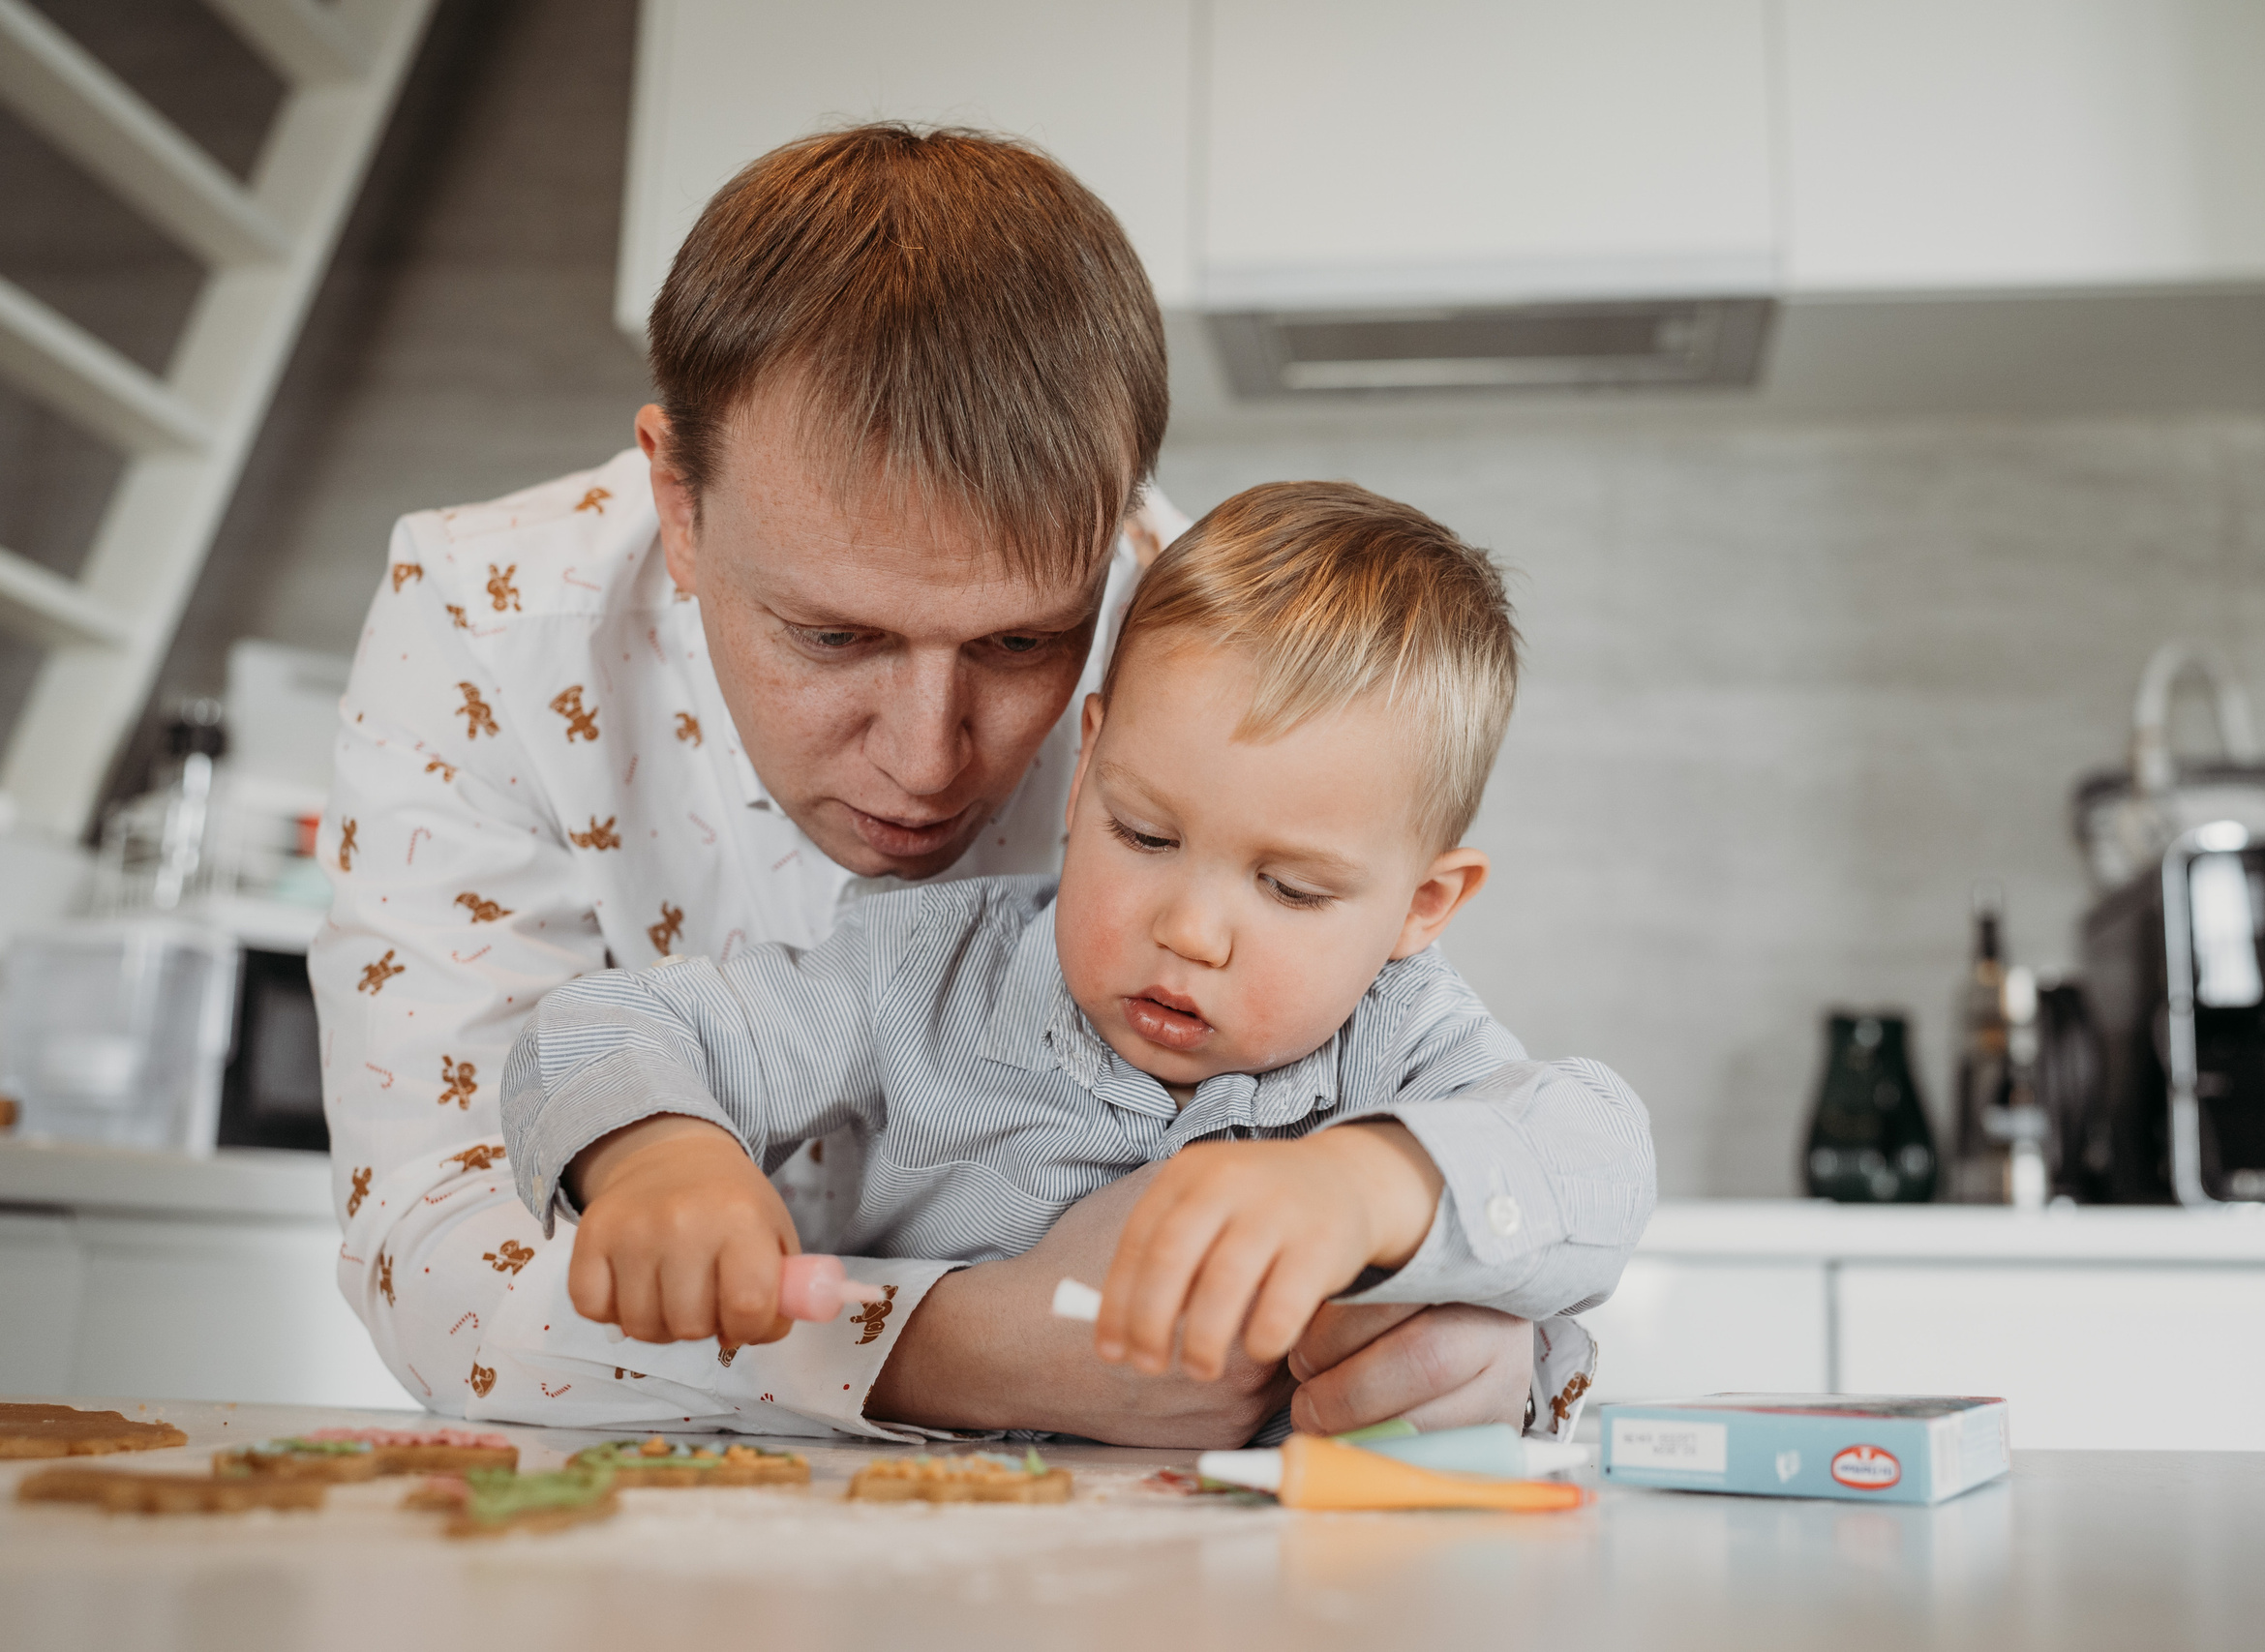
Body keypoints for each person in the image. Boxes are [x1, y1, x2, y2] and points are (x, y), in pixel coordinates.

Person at [314, 124, 1588, 1444]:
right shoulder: (482, 619)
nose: (928, 761)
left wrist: (1484, 1352)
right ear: (679, 500)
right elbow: (439, 1245)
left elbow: (1503, 1146)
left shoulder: (1198, 642)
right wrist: (964, 1346)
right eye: (831, 635)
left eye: (1022, 644)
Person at [493, 484, 1655, 1444]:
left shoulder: (1404, 1042)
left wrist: (1369, 1188)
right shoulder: (920, 974)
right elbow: (598, 1027)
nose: (1191, 931)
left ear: (1424, 905)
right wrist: (655, 1159)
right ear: (1088, 762)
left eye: (1291, 888)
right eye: (1144, 836)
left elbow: (1599, 1154)